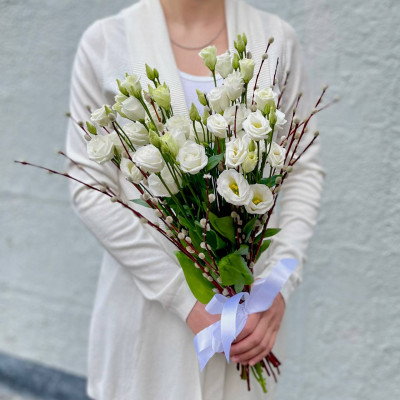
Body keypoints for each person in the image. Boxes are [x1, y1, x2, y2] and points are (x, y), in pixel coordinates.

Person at [65, 0, 325, 398]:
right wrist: (185, 300)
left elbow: (301, 168)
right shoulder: (105, 43)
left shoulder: (275, 41)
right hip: (149, 320)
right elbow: (89, 188)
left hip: (250, 326)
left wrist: (277, 285)